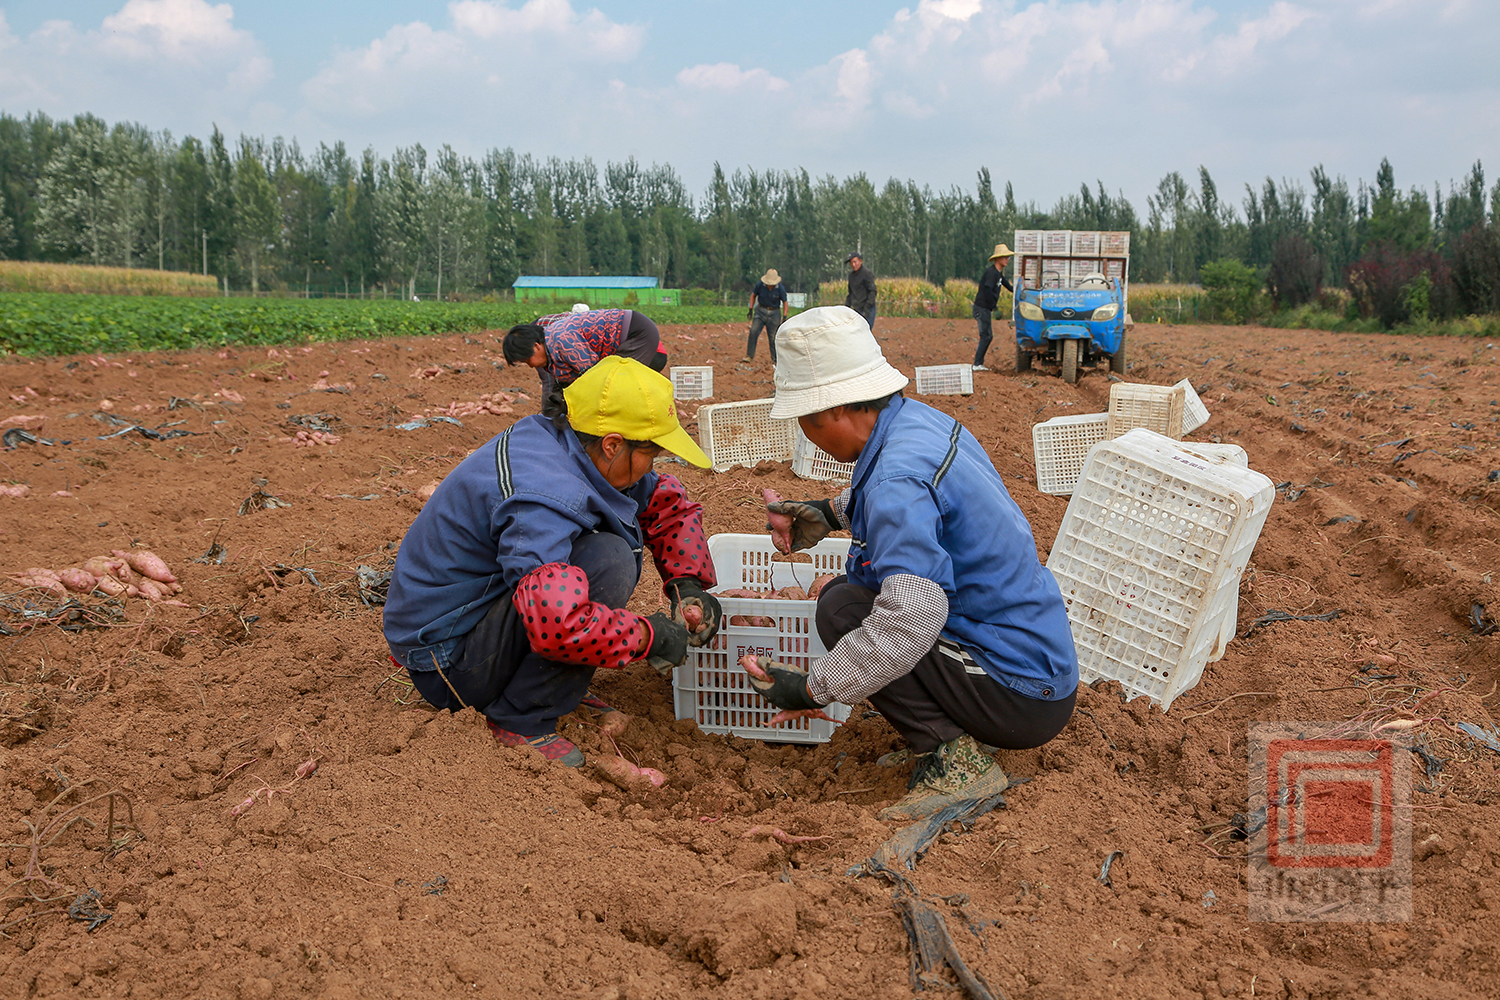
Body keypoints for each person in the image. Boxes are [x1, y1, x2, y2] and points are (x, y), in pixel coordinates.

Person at [745, 306, 1078, 821]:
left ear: (830, 411)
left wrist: (813, 687)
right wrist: (831, 513)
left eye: (803, 422)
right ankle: (957, 737)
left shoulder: (895, 482)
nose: (805, 435)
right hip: (1034, 656)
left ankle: (956, 765)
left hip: (1020, 691)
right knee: (848, 597)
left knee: (844, 610)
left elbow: (912, 619)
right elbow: (924, 502)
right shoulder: (919, 423)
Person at [382, 356, 723, 767]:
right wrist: (647, 636)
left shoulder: (570, 444)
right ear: (613, 443)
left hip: (474, 620)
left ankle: (552, 688)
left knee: (606, 551)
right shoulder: (541, 496)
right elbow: (557, 623)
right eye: (651, 451)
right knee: (610, 558)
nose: (653, 464)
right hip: (447, 663)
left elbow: (666, 505)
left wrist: (687, 583)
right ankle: (521, 718)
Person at [503, 308, 668, 401]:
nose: (530, 365)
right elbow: (563, 384)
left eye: (527, 360)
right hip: (622, 339)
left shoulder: (563, 340)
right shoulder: (549, 354)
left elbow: (593, 377)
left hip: (636, 332)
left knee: (616, 386)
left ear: (537, 346)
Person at [972, 243, 1015, 372]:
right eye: (1005, 257)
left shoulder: (998, 274)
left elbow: (1009, 286)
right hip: (982, 308)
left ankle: (978, 363)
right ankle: (977, 364)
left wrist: (1019, 291)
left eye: (1008, 257)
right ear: (998, 258)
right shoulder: (991, 273)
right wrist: (994, 307)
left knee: (987, 335)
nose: (1007, 259)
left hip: (986, 308)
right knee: (986, 336)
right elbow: (987, 290)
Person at [744, 268, 788, 363]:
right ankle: (749, 356)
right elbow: (753, 295)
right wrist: (750, 309)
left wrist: (784, 316)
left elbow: (785, 302)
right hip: (761, 311)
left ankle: (776, 359)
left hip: (774, 313)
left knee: (773, 337)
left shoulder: (780, 288)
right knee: (753, 332)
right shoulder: (760, 285)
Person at [844, 253, 877, 332]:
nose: (853, 264)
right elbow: (851, 293)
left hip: (867, 308)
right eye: (851, 263)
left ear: (860, 261)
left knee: (866, 331)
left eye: (855, 262)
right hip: (857, 308)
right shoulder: (851, 276)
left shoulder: (867, 273)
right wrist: (846, 307)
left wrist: (868, 306)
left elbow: (872, 291)